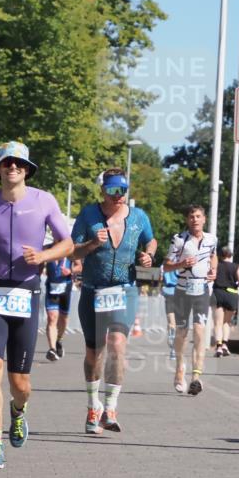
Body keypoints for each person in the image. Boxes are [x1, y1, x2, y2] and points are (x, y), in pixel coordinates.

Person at [0, 141, 73, 469]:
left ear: (27, 170)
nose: (13, 168)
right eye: (7, 163)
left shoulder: (44, 201)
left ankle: (18, 410)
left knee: (19, 383)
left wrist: (43, 256)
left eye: (19, 164)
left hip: (26, 293)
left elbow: (67, 243)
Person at [72, 169, 156, 434]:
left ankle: (110, 407)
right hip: (92, 290)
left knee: (117, 344)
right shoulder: (88, 214)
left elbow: (151, 241)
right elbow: (72, 249)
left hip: (124, 290)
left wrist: (148, 256)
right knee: (94, 353)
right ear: (102, 190)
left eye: (123, 190)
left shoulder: (138, 216)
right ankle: (92, 405)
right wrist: (91, 245)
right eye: (113, 190)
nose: (119, 196)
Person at [164, 204, 218, 395]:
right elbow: (166, 266)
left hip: (202, 290)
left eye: (198, 216)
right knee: (182, 333)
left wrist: (214, 271)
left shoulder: (212, 239)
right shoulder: (179, 240)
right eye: (191, 217)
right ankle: (180, 369)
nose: (195, 219)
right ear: (188, 220)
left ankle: (196, 377)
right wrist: (181, 263)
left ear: (204, 219)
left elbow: (213, 256)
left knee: (200, 331)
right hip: (182, 291)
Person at [42, 242, 77, 362]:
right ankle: (51, 349)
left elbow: (79, 266)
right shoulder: (47, 248)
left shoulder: (71, 248)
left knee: (64, 318)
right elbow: (39, 264)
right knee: (52, 318)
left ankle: (59, 340)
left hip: (65, 288)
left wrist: (70, 270)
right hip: (51, 287)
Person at [211, 246, 239, 357]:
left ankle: (219, 347)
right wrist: (234, 284)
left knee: (218, 323)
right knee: (226, 322)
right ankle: (225, 344)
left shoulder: (216, 265)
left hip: (218, 293)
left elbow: (211, 276)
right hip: (231, 294)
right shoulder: (236, 266)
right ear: (230, 255)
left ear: (220, 255)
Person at [161, 265, 179, 360]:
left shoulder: (164, 265)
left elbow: (161, 278)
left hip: (169, 293)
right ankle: (174, 348)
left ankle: (172, 347)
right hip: (180, 293)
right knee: (178, 323)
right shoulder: (182, 263)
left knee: (171, 323)